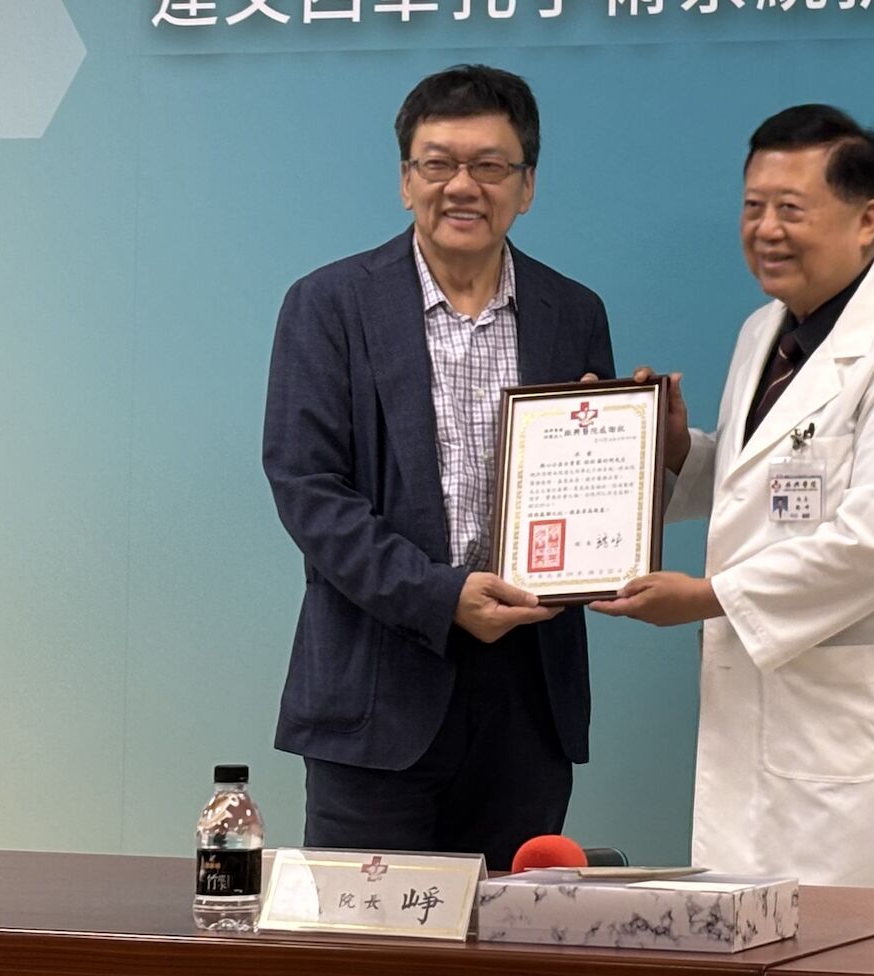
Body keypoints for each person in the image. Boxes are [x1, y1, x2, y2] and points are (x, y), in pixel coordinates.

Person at [592, 105, 874, 889]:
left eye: (791, 209)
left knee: (864, 940)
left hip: (858, 747)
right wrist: (676, 452)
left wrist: (708, 597)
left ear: (867, 220)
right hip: (759, 723)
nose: (766, 230)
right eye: (753, 207)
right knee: (742, 925)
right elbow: (770, 489)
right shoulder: (764, 332)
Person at [262, 64, 615, 868]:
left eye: (489, 165)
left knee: (512, 928)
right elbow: (308, 489)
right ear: (405, 180)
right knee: (367, 932)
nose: (462, 186)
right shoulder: (329, 304)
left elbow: (591, 483)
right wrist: (439, 595)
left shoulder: (573, 311)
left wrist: (640, 465)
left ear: (526, 186)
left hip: (527, 700)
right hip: (375, 697)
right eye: (438, 163)